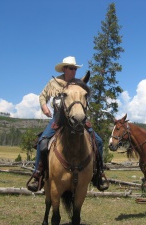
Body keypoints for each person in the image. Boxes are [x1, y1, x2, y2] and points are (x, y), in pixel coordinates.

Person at [27, 56, 108, 192]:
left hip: (79, 117)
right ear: (64, 69)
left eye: (75, 68)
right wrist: (44, 107)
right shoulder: (55, 82)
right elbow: (43, 96)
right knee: (42, 141)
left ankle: (99, 174)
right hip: (59, 118)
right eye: (71, 68)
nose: (74, 71)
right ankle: (38, 174)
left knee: (98, 141)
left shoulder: (79, 83)